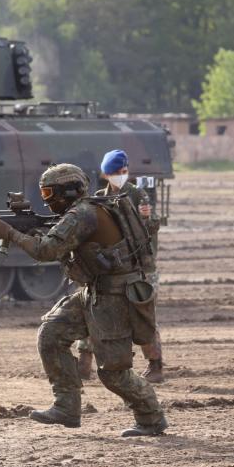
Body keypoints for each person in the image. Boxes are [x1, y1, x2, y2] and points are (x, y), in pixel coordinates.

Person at [0, 163, 167, 436]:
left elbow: (46, 251)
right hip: (94, 291)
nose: (46, 202)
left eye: (50, 194)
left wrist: (10, 233)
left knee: (113, 372)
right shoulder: (83, 210)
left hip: (114, 296)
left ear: (69, 191)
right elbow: (58, 244)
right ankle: (67, 407)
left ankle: (151, 419)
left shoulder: (83, 214)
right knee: (51, 334)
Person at [77, 149, 164, 383]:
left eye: (124, 171)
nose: (121, 175)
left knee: (143, 316)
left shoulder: (137, 195)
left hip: (139, 268)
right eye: (116, 172)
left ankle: (155, 365)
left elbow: (151, 228)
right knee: (93, 311)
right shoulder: (99, 198)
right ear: (106, 175)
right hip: (110, 268)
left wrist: (147, 219)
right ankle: (84, 364)